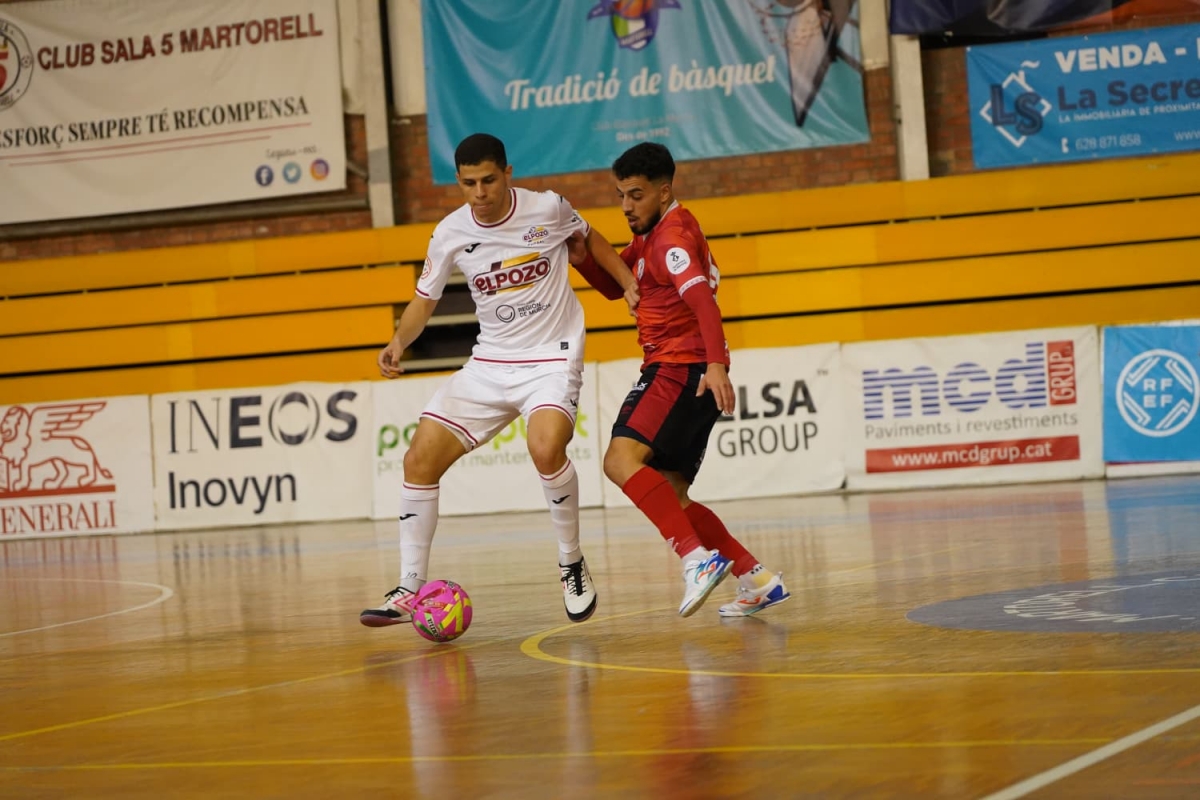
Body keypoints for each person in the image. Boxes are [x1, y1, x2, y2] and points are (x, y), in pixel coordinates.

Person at [361, 133, 638, 628]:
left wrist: (627, 280)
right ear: (460, 183)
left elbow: (590, 236)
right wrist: (398, 342)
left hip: (550, 357)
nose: (480, 192)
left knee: (546, 447)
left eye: (489, 180)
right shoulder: (448, 232)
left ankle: (571, 562)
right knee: (418, 458)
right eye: (468, 183)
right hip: (490, 363)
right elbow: (423, 301)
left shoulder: (547, 209)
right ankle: (409, 586)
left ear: (507, 174)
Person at [569, 142, 790, 618]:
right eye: (620, 195)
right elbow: (617, 282)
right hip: (690, 372)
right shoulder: (658, 232)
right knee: (671, 493)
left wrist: (715, 365)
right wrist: (582, 256)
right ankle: (756, 577)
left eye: (636, 195)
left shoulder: (670, 241)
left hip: (678, 369)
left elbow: (703, 303)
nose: (626, 206)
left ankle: (695, 560)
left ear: (664, 190)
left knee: (619, 461)